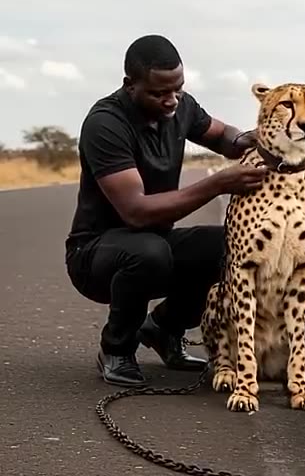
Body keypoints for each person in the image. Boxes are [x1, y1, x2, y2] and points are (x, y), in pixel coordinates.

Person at [65, 34, 268, 387]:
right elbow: (136, 213)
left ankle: (162, 330)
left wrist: (256, 138)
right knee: (149, 252)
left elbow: (224, 137)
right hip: (95, 255)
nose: (171, 100)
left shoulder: (181, 106)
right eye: (159, 93)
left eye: (177, 89)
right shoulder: (106, 123)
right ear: (130, 85)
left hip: (154, 241)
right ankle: (116, 350)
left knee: (232, 244)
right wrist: (217, 184)